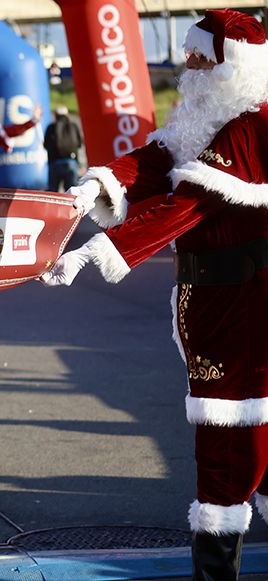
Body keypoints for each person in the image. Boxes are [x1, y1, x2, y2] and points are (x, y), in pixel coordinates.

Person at [41, 10, 268, 580]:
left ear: (233, 65)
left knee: (227, 440)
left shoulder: (252, 123)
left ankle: (214, 570)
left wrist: (98, 251)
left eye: (199, 57)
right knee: (247, 433)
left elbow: (189, 201)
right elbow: (159, 156)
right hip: (213, 299)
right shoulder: (209, 112)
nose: (188, 66)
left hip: (245, 302)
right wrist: (96, 184)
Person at [43, 105, 83, 192]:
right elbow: (80, 144)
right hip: (71, 162)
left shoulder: (50, 127)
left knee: (52, 193)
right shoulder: (73, 126)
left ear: (56, 115)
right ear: (67, 114)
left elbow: (45, 145)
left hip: (54, 163)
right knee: (72, 192)